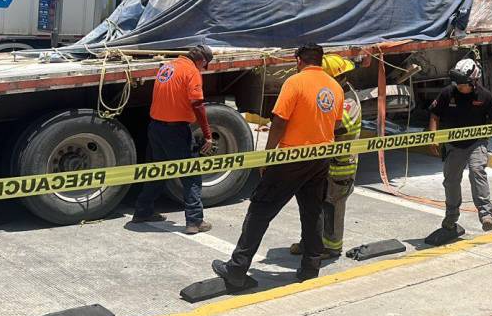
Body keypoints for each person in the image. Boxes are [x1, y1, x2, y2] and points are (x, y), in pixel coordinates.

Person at [212, 43, 343, 289]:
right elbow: (335, 126)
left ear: (299, 60)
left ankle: (237, 269)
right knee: (312, 210)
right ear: (320, 60)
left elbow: (280, 121)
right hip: (319, 159)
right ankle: (310, 267)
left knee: (260, 210)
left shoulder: (295, 82)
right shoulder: (334, 87)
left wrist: (269, 155)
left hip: (291, 159)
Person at [131, 44, 214, 234]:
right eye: (205, 66)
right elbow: (198, 104)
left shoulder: (168, 66)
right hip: (175, 130)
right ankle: (194, 221)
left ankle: (142, 211)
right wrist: (207, 135)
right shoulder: (192, 71)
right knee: (191, 175)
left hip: (156, 127)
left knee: (158, 171)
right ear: (201, 60)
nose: (204, 69)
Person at [289, 53, 362, 260]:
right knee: (314, 206)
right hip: (324, 164)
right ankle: (310, 242)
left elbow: (338, 127)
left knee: (332, 209)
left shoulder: (348, 101)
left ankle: (331, 248)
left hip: (340, 167)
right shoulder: (334, 95)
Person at [428, 58, 492, 233]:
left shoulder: (484, 96)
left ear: (473, 81)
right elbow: (434, 115)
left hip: (476, 143)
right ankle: (451, 217)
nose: (458, 86)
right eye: (456, 82)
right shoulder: (448, 93)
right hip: (454, 146)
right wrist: (433, 137)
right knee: (451, 181)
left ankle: (486, 215)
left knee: (477, 171)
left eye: (462, 83)